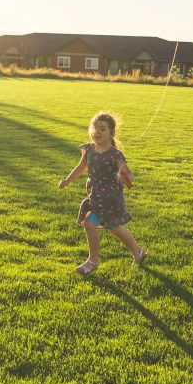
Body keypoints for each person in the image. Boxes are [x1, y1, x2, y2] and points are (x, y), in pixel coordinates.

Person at [59, 111, 147, 275]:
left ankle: (92, 261)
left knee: (90, 223)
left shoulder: (115, 154)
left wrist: (125, 177)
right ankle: (139, 252)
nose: (97, 132)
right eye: (94, 128)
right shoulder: (89, 150)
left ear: (111, 133)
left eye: (102, 129)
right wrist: (67, 181)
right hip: (95, 194)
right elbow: (80, 168)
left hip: (111, 197)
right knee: (115, 228)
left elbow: (127, 172)